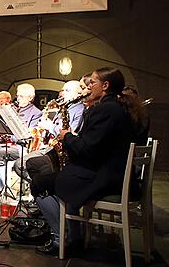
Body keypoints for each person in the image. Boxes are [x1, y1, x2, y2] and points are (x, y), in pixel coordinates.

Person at [34, 67, 137, 255]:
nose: (88, 88)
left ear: (105, 86)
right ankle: (74, 236)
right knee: (61, 179)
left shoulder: (105, 110)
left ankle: (61, 239)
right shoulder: (116, 107)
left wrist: (67, 137)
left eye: (92, 83)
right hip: (110, 173)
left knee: (39, 184)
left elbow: (86, 148)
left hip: (103, 177)